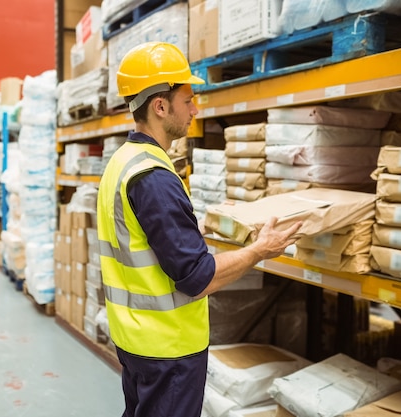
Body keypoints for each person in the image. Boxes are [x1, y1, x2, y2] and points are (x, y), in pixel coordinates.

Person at [96, 42, 303, 417]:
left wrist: (195, 224)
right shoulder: (154, 178)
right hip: (168, 348)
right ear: (160, 106)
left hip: (134, 337)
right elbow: (197, 278)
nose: (195, 109)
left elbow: (142, 238)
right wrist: (259, 249)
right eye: (188, 99)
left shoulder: (123, 162)